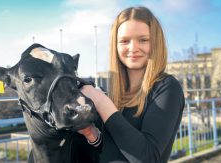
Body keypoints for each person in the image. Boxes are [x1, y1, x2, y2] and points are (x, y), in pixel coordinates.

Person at [78, 6, 185, 163]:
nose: (133, 48)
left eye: (143, 40)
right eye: (124, 41)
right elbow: (113, 152)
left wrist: (100, 101)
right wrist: (93, 136)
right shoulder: (111, 91)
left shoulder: (168, 87)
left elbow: (146, 157)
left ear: (156, 43)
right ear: (116, 45)